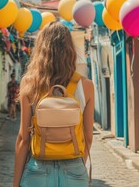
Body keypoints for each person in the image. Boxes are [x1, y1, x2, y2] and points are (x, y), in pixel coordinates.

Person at [13, 22, 94, 187]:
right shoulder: (86, 85)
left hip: (38, 168)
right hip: (74, 168)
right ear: (70, 50)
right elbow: (89, 137)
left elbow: (23, 139)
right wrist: (76, 166)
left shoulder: (29, 83)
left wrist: (16, 183)